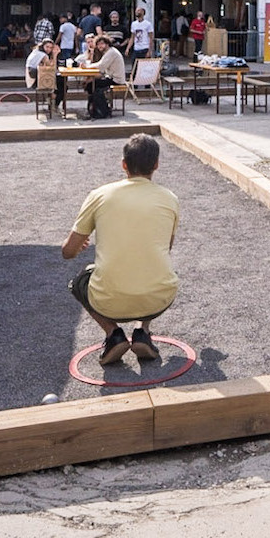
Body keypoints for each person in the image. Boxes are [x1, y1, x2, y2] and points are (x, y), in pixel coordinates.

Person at [60, 133, 179, 366]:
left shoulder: (99, 195)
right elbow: (166, 248)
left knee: (79, 282)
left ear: (124, 164)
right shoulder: (170, 198)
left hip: (108, 300)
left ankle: (113, 334)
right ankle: (142, 331)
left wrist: (76, 247)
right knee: (156, 268)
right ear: (156, 165)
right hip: (159, 297)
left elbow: (67, 252)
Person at [89, 35, 126, 119]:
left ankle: (101, 111)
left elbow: (101, 66)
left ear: (107, 44)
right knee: (91, 84)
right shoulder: (108, 52)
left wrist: (87, 66)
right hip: (111, 77)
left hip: (116, 80)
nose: (100, 46)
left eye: (102, 44)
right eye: (98, 44)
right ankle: (96, 109)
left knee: (92, 85)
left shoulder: (111, 52)